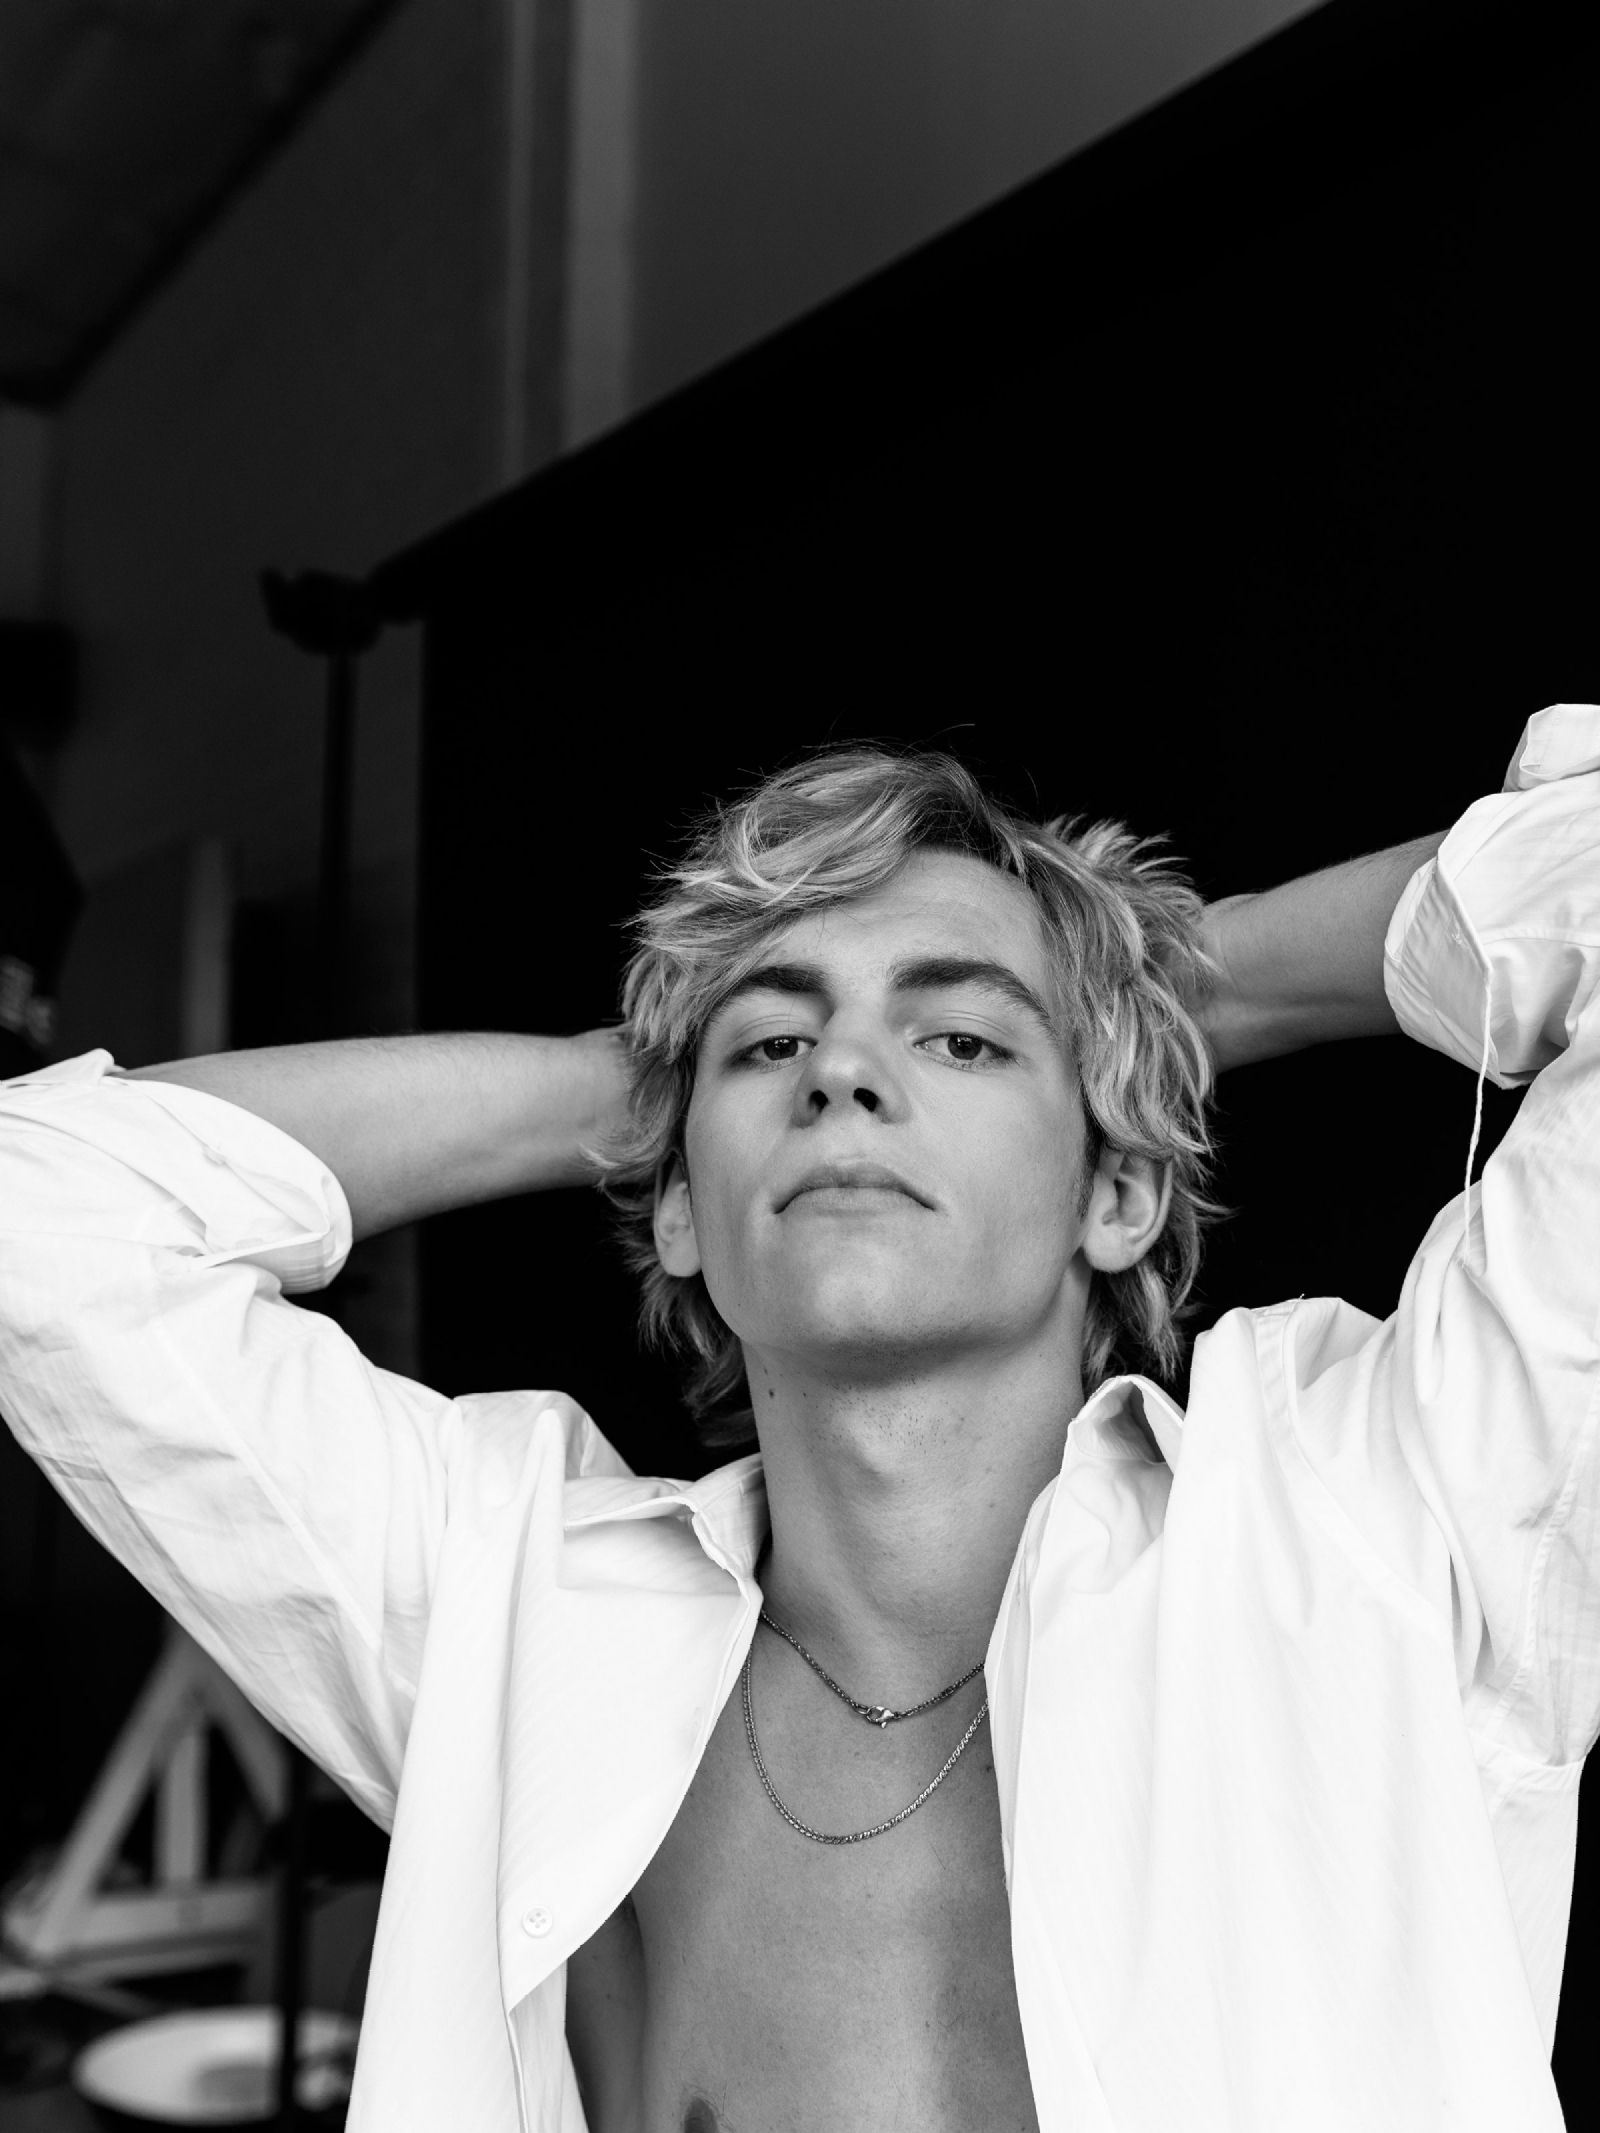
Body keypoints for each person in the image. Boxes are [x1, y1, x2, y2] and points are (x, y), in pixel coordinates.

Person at [1, 707, 1596, 2133]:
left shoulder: (1376, 1529)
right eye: (772, 1042)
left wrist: (1180, 988)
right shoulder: (511, 1617)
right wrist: (624, 1090)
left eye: (962, 1036)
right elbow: (41, 1218)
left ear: (1114, 1189)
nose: (841, 1071)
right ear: (679, 1204)